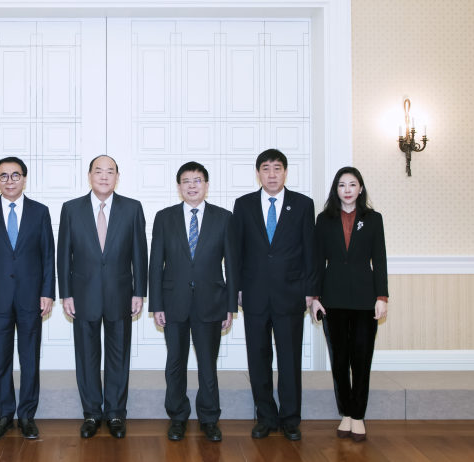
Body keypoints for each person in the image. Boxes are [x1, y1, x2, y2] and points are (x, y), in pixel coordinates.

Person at [58, 155, 148, 439]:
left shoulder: (132, 208)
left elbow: (140, 253)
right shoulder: (71, 209)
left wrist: (139, 291)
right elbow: (64, 254)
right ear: (90, 176)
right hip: (82, 295)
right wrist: (66, 294)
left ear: (117, 177)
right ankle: (92, 414)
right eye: (99, 171)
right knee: (86, 356)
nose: (104, 176)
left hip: (120, 294)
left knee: (118, 356)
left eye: (110, 172)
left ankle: (115, 413)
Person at [148, 162, 237, 442]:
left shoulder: (224, 217)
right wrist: (156, 305)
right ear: (179, 187)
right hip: (173, 302)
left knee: (208, 364)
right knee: (175, 363)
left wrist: (230, 307)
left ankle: (209, 418)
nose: (192, 186)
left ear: (206, 185)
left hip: (212, 302)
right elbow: (155, 264)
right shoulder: (165, 217)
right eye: (186, 181)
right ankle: (177, 416)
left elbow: (232, 265)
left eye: (197, 180)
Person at [231, 149, 315, 442]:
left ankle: (290, 418)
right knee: (258, 358)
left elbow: (311, 251)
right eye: (265, 169)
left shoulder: (303, 205)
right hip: (254, 295)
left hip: (291, 294)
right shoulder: (243, 205)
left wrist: (311, 291)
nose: (271, 174)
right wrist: (237, 288)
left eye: (277, 168)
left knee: (290, 360)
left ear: (285, 172)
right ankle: (266, 417)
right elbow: (236, 251)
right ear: (258, 174)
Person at [0, 157, 55, 441]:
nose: (10, 181)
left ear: (24, 179)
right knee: (0, 360)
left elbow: (48, 256)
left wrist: (47, 292)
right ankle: (4, 415)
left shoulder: (40, 212)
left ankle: (27, 415)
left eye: (15, 175)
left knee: (29, 359)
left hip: (32, 297)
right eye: (3, 176)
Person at [310, 167, 388, 442]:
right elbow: (317, 261)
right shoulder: (324, 219)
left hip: (366, 300)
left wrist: (382, 298)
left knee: (361, 360)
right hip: (332, 299)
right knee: (339, 360)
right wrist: (315, 298)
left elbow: (379, 259)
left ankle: (358, 415)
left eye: (352, 184)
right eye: (342, 185)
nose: (347, 190)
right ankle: (345, 413)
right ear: (336, 189)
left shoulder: (374, 219)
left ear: (360, 188)